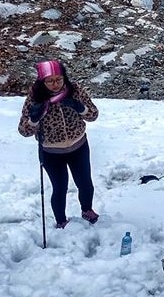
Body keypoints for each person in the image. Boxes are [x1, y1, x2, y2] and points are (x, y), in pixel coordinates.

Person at [17, 60, 100, 229]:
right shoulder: (35, 97)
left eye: (59, 79)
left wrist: (81, 108)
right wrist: (34, 120)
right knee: (60, 187)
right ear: (42, 81)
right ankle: (61, 220)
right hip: (51, 151)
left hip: (78, 146)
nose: (55, 85)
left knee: (85, 183)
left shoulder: (74, 90)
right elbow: (23, 131)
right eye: (49, 81)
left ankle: (87, 210)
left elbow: (93, 115)